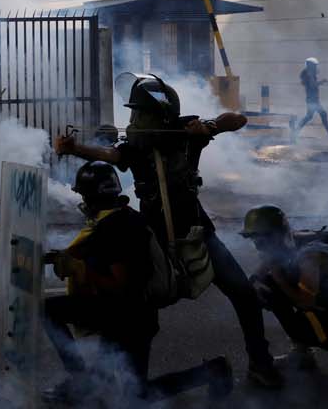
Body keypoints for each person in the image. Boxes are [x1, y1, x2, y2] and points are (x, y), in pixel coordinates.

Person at [53, 74, 283, 389]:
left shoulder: (187, 134)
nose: (134, 120)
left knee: (243, 294)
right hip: (154, 239)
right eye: (134, 114)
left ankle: (261, 362)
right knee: (133, 304)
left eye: (140, 114)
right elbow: (109, 155)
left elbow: (238, 119)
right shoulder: (134, 147)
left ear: (160, 116)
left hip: (198, 234)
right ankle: (111, 375)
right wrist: (74, 148)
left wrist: (210, 127)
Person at [41, 161, 233, 403]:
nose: (82, 201)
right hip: (126, 312)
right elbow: (95, 254)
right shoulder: (122, 216)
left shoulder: (114, 228)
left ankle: (212, 372)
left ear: (91, 196)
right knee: (110, 379)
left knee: (137, 397)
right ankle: (85, 384)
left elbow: (119, 285)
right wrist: (58, 258)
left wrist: (81, 270)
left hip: (128, 318)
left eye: (83, 194)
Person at [240, 205, 328, 379]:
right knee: (268, 288)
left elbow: (305, 301)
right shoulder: (288, 241)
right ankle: (302, 353)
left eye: (260, 240)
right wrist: (250, 284)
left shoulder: (310, 256)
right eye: (254, 239)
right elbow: (264, 270)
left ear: (274, 235)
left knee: (280, 291)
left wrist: (279, 278)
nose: (257, 245)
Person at [291, 57, 328, 140]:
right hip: (312, 100)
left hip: (312, 99)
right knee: (321, 114)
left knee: (310, 116)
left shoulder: (308, 74)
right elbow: (313, 85)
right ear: (310, 65)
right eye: (315, 65)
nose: (316, 67)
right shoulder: (309, 74)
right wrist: (323, 81)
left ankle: (295, 132)